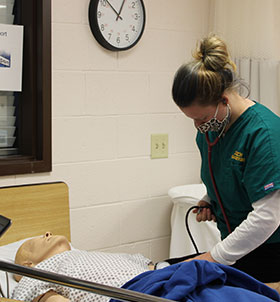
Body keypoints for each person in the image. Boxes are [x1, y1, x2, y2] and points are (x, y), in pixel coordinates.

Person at [171, 34, 280, 286]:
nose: (198, 126)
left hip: (271, 254)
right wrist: (210, 199)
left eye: (201, 118)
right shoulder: (212, 130)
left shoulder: (263, 134)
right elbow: (227, 173)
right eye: (192, 120)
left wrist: (212, 257)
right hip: (237, 246)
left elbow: (268, 216)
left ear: (224, 100)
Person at [12, 232, 152, 302]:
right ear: (28, 265)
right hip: (131, 293)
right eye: (36, 241)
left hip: (156, 278)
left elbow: (151, 267)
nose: (48, 233)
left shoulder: (89, 255)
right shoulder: (37, 274)